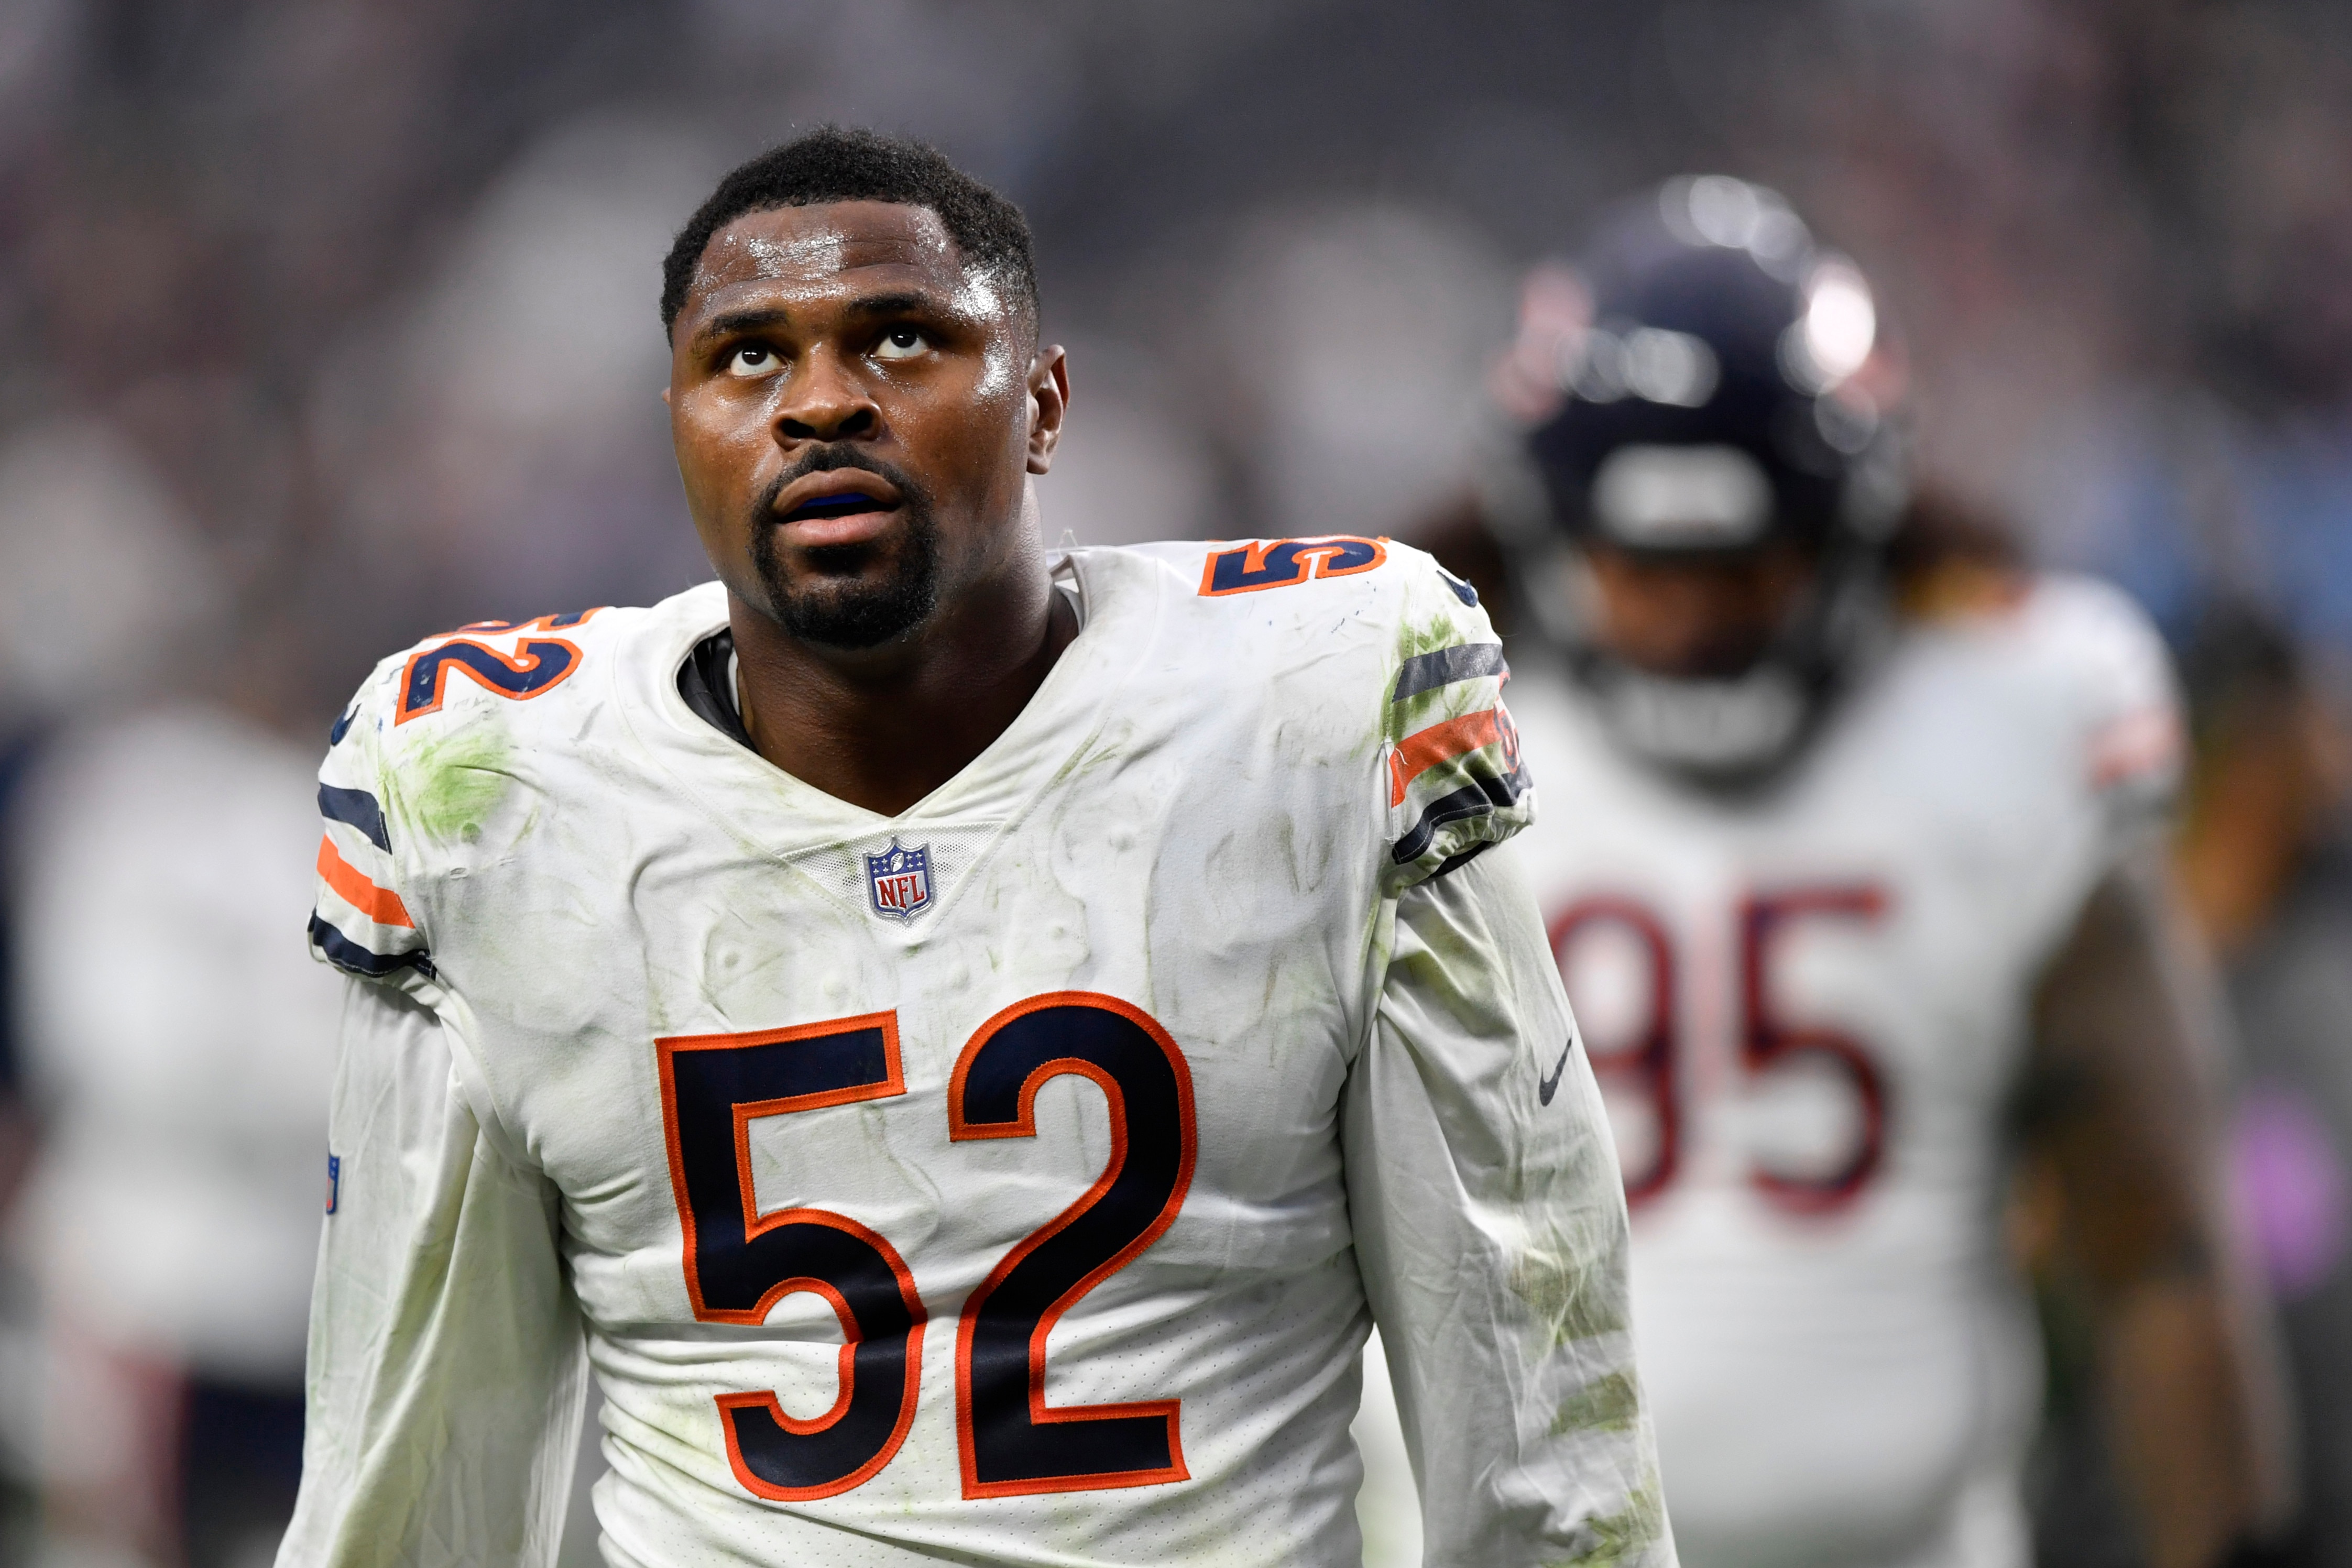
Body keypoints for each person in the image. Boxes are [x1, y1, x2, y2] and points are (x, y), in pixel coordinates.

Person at [275, 128, 1670, 1567]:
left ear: (1045, 406)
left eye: (899, 338)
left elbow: (1528, 1393)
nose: (821, 401)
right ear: (679, 427)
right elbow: (406, 1495)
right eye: (746, 357)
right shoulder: (487, 786)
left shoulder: (1317, 701)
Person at [1414, 177, 2285, 1568]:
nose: (1694, 619)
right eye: (1651, 568)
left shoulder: (2017, 709)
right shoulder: (1402, 731)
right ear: (1549, 526)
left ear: (1850, 523)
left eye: (1741, 565)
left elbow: (2160, 1239)